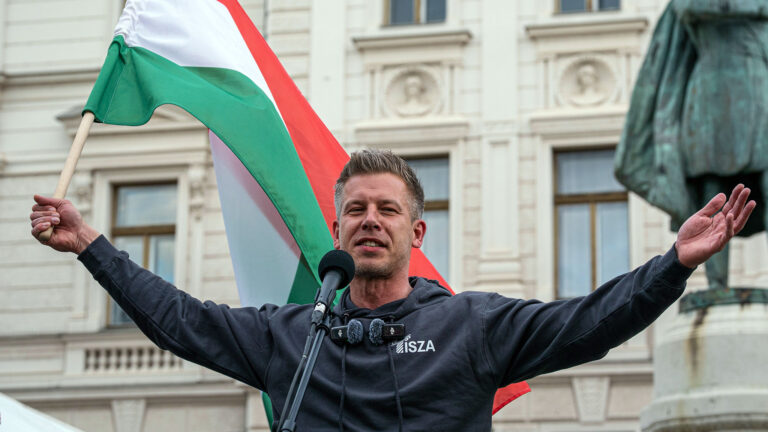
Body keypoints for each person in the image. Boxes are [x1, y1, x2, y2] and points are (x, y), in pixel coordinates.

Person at [30, 150, 754, 431]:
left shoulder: (473, 325)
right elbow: (179, 320)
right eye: (355, 210)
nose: (369, 221)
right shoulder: (292, 336)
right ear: (337, 230)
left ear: (417, 233)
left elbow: (589, 322)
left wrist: (674, 265)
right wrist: (92, 246)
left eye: (387, 210)